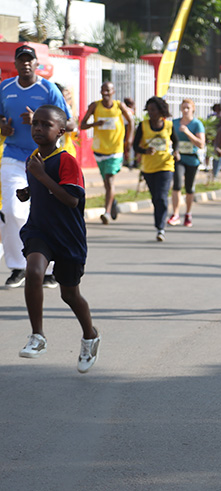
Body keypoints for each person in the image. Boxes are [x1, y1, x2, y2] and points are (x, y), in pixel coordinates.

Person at [16, 105, 99, 373]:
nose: (38, 128)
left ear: (60, 131)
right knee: (34, 272)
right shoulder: (35, 157)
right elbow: (42, 182)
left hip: (67, 237)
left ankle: (90, 335)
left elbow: (72, 199)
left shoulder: (67, 160)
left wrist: (40, 177)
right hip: (39, 230)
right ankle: (37, 336)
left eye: (45, 125)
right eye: (35, 124)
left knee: (70, 294)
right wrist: (29, 190)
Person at [0, 45, 73, 289]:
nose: (26, 64)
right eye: (21, 60)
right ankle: (18, 266)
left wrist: (39, 121)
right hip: (13, 155)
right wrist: (3, 127)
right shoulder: (5, 88)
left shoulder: (48, 89)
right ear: (16, 63)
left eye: (30, 59)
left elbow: (69, 123)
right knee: (12, 210)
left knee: (45, 211)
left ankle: (50, 268)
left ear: (36, 62)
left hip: (44, 158)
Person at [80, 81, 134, 225]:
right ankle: (113, 202)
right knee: (106, 182)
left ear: (113, 92)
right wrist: (95, 124)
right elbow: (82, 125)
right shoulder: (95, 106)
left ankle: (107, 212)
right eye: (103, 90)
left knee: (110, 180)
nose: (105, 93)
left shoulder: (119, 106)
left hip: (115, 150)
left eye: (108, 90)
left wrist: (129, 140)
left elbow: (131, 121)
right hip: (99, 149)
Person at [132, 97, 180, 242]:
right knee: (155, 198)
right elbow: (135, 146)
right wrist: (145, 151)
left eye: (153, 110)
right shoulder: (143, 125)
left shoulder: (169, 126)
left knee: (162, 196)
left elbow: (176, 141)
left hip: (166, 165)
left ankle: (161, 228)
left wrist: (176, 152)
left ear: (160, 111)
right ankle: (159, 224)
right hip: (148, 168)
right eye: (149, 110)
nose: (150, 113)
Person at [168, 100, 205, 227]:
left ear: (193, 109)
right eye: (183, 108)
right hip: (178, 158)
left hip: (192, 159)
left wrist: (187, 132)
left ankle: (188, 213)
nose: (185, 110)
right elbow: (168, 138)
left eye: (188, 108)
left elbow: (201, 144)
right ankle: (175, 214)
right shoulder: (175, 123)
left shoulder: (197, 124)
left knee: (189, 188)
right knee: (177, 185)